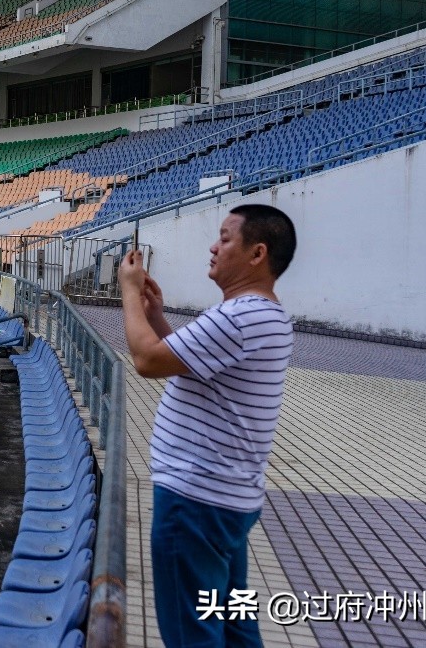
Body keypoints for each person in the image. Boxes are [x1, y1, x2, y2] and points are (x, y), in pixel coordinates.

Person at [117, 204, 297, 648]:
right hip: (228, 503)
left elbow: (146, 359)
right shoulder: (266, 315)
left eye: (225, 238)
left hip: (194, 504)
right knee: (235, 626)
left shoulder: (238, 317)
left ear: (257, 254)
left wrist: (126, 290)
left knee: (192, 633)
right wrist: (156, 314)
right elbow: (193, 364)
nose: (213, 247)